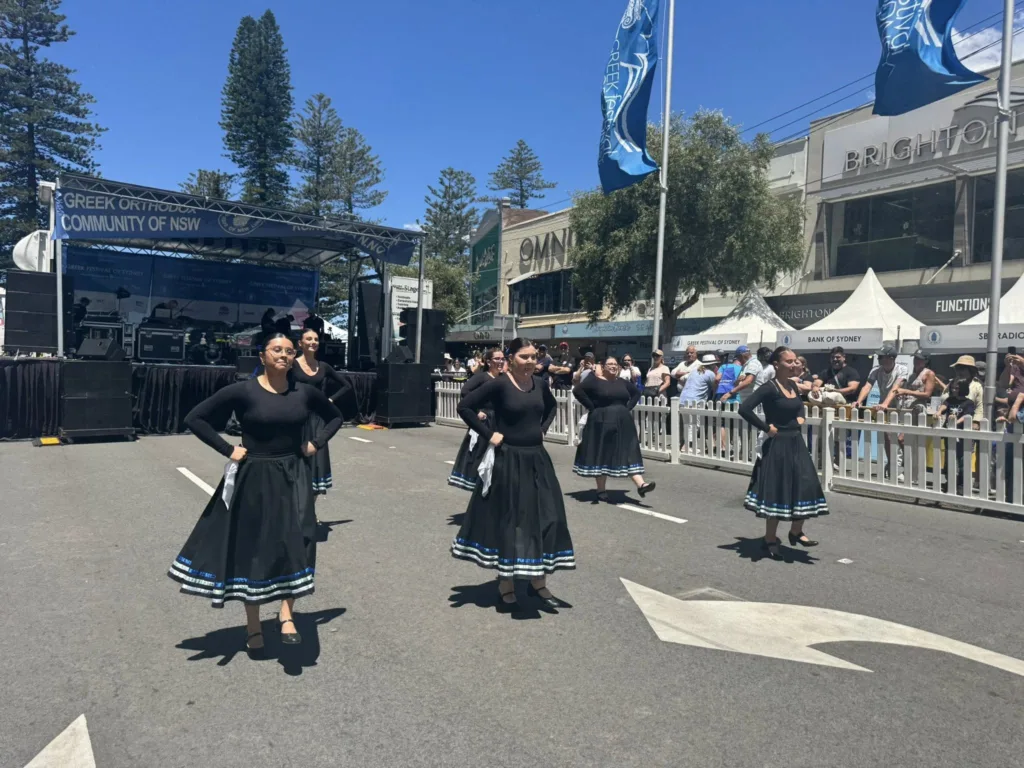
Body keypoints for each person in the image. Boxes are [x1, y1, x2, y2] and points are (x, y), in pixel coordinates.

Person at [168, 332, 343, 651]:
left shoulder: (304, 393)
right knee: (256, 545)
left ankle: (286, 614)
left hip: (294, 473)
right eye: (277, 350)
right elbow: (195, 419)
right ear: (262, 356)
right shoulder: (244, 391)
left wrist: (315, 443)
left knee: (300, 540)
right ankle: (253, 625)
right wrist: (227, 449)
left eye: (289, 351)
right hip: (255, 474)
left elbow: (335, 418)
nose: (284, 355)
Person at [452, 338, 575, 612]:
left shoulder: (540, 384)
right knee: (512, 520)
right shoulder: (499, 384)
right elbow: (465, 407)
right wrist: (489, 434)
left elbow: (552, 407)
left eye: (533, 356)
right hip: (508, 459)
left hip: (537, 459)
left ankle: (538, 582)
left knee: (547, 517)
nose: (530, 361)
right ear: (511, 358)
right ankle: (506, 585)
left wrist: (542, 429)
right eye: (524, 356)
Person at [739, 346, 829, 559]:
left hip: (795, 442)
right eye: (789, 361)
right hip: (777, 444)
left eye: (795, 360)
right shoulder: (769, 388)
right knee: (778, 490)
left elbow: (799, 406)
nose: (794, 364)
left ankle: (796, 531)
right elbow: (744, 409)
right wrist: (766, 428)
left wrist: (801, 416)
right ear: (776, 364)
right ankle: (770, 538)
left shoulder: (793, 385)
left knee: (806, 484)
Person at [572, 356, 654, 499]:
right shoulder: (594, 381)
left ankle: (641, 485)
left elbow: (636, 393)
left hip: (623, 422)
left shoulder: (622, 382)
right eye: (610, 364)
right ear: (603, 366)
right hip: (600, 422)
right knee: (602, 452)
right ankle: (601, 490)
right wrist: (591, 406)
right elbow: (577, 391)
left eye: (615, 364)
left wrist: (627, 408)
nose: (613, 366)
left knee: (627, 450)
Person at [291, 328, 353, 498]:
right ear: (300, 343)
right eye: (309, 339)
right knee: (297, 459)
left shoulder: (323, 366)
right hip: (297, 417)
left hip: (318, 420)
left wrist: (330, 400)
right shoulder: (292, 365)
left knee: (316, 461)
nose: (313, 342)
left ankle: (310, 508)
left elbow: (346, 385)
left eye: (316, 339)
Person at [447, 347, 505, 491]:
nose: (500, 361)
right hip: (485, 421)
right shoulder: (482, 377)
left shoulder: (503, 378)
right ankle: (475, 483)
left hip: (499, 421)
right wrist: (476, 411)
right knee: (479, 452)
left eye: (502, 359)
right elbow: (465, 391)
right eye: (497, 359)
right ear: (488, 362)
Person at [855, 345, 909, 479]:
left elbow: (896, 388)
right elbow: (867, 386)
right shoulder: (876, 370)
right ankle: (892, 465)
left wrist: (885, 403)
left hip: (901, 407)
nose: (879, 359)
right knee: (888, 437)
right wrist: (859, 401)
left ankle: (908, 467)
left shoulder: (902, 369)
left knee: (903, 440)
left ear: (891, 358)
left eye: (881, 356)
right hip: (886, 407)